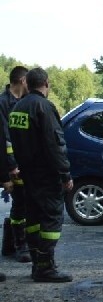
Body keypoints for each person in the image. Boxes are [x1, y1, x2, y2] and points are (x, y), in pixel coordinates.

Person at [8, 68, 73, 282]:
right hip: (46, 175)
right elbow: (55, 144)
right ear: (47, 83)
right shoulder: (44, 107)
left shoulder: (17, 107)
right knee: (52, 219)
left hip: (27, 174)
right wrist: (65, 174)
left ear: (28, 83)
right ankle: (46, 267)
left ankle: (37, 264)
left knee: (33, 219)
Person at [0, 65, 31, 263]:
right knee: (20, 204)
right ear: (22, 81)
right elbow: (4, 139)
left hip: (25, 164)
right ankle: (21, 246)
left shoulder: (25, 102)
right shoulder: (3, 103)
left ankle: (10, 245)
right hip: (13, 166)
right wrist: (10, 169)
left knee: (26, 203)